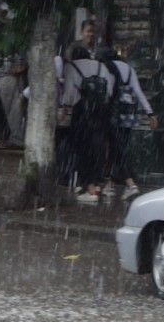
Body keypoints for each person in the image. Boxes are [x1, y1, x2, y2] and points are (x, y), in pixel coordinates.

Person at [96, 47, 157, 200]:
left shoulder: (106, 67)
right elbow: (138, 92)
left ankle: (130, 185)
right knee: (118, 148)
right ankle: (110, 184)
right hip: (128, 117)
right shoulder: (128, 68)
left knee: (114, 150)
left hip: (112, 116)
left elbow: (108, 92)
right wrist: (150, 113)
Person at [59, 43, 111, 203]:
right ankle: (96, 185)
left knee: (82, 148)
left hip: (82, 111)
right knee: (97, 147)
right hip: (101, 111)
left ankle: (89, 187)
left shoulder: (71, 67)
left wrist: (64, 109)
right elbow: (109, 91)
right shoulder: (101, 66)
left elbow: (68, 94)